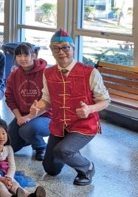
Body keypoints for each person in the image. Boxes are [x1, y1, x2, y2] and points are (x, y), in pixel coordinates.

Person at [30, 29, 110, 186]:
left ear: (73, 49)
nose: (61, 52)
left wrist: (89, 109)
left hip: (84, 125)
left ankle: (87, 168)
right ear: (52, 50)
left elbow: (105, 101)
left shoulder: (90, 72)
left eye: (65, 47)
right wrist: (37, 108)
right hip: (59, 125)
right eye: (56, 48)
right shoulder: (48, 73)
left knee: (62, 150)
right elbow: (46, 100)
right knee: (51, 169)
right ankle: (70, 150)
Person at [0, 119, 46, 197]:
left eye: (3, 133)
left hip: (6, 173)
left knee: (15, 184)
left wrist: (9, 178)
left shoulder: (8, 148)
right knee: (0, 186)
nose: (1, 137)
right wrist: (0, 178)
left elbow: (12, 166)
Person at [5, 42, 50, 160]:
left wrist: (29, 117)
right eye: (19, 55)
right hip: (23, 116)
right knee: (7, 145)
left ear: (33, 56)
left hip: (45, 116)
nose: (22, 59)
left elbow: (50, 102)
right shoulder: (14, 74)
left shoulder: (46, 73)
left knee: (27, 130)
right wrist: (19, 117)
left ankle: (40, 147)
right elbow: (9, 97)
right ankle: (28, 137)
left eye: (26, 55)